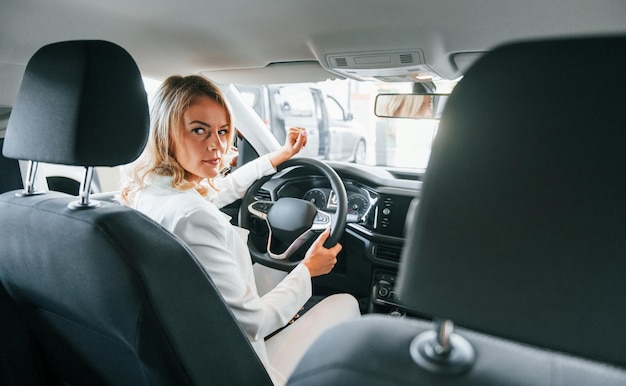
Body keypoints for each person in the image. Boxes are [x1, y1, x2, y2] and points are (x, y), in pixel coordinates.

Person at [119, 75, 360, 385]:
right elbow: (254, 321)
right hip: (239, 368)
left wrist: (278, 155)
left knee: (270, 274)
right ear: (166, 135)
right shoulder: (193, 217)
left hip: (188, 351)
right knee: (347, 303)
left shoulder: (147, 192)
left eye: (222, 131)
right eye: (199, 130)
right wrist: (307, 270)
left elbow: (222, 188)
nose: (218, 145)